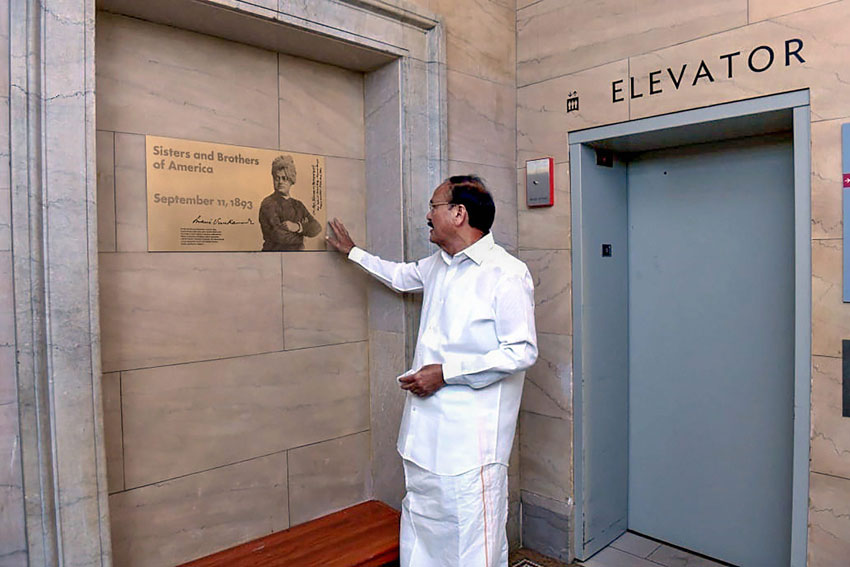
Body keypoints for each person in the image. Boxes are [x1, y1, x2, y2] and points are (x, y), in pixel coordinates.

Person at [326, 175, 538, 567]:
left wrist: (445, 373)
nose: (427, 215)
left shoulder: (506, 273)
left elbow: (521, 351)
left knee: (472, 543)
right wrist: (353, 252)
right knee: (422, 536)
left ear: (459, 214)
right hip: (423, 441)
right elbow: (399, 276)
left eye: (434, 206)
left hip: (470, 449)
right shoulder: (438, 265)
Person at [258, 154, 321, 250]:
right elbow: (278, 235)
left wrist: (297, 227)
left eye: (284, 178)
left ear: (291, 180)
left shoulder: (298, 205)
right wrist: (302, 237)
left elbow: (317, 227)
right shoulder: (268, 203)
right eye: (277, 178)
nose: (280, 182)